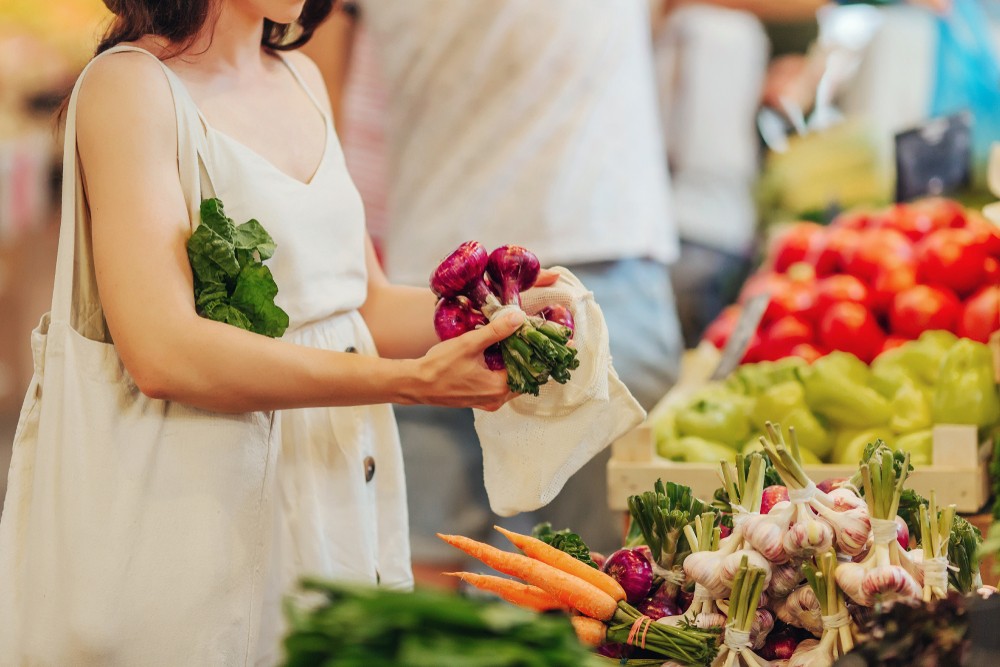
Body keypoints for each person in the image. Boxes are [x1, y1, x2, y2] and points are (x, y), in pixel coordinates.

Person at [0, 0, 560, 663]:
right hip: (196, 517)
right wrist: (410, 383)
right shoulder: (130, 88)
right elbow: (163, 352)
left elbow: (361, 304)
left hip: (333, 494)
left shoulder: (301, 78)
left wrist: (505, 311)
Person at [304, 0, 684, 580]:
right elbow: (313, 93)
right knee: (418, 572)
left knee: (611, 583)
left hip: (597, 262)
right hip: (427, 293)